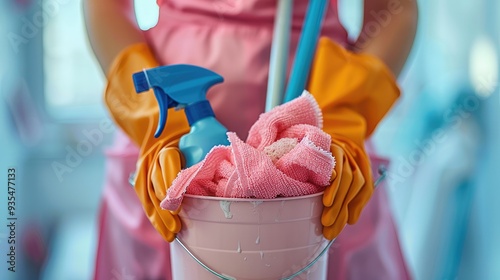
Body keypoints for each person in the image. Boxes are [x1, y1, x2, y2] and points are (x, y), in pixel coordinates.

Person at [83, 0, 418, 279]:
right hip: (167, 142)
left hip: (324, 146)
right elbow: (103, 7)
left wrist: (343, 115)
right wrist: (152, 118)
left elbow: (394, 10)